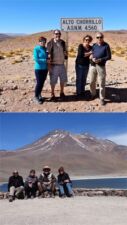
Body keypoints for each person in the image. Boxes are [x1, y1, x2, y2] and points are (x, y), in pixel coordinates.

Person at [89, 32, 111, 105]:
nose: (99, 39)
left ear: (103, 37)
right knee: (92, 81)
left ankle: (102, 98)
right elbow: (92, 53)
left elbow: (109, 56)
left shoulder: (106, 45)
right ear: (96, 38)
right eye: (98, 37)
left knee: (101, 82)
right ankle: (93, 94)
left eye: (101, 37)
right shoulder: (94, 45)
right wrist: (91, 58)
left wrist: (100, 59)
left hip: (101, 66)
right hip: (93, 65)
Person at [47, 29, 68, 101]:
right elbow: (48, 55)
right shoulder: (50, 43)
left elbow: (65, 52)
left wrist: (66, 54)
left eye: (59, 34)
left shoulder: (62, 42)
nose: (57, 35)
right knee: (53, 81)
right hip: (54, 65)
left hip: (62, 64)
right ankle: (52, 94)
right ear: (53, 35)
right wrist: (49, 66)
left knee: (63, 80)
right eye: (56, 34)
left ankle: (62, 92)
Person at [33, 36, 48, 104]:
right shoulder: (36, 49)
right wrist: (45, 60)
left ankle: (39, 94)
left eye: (44, 41)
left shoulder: (45, 48)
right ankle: (35, 97)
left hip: (45, 69)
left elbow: (48, 56)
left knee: (42, 83)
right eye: (41, 41)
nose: (43, 43)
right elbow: (36, 59)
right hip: (38, 68)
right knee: (39, 83)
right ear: (39, 42)